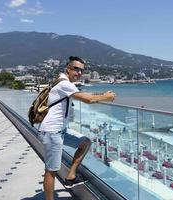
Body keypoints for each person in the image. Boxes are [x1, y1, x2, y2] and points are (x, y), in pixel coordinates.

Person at [38, 56, 116, 200]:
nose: (79, 72)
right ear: (68, 68)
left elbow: (86, 95)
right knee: (51, 171)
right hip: (51, 131)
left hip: (59, 130)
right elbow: (88, 99)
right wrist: (105, 97)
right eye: (76, 69)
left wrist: (98, 96)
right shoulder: (64, 83)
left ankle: (71, 176)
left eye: (81, 70)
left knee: (85, 143)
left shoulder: (63, 81)